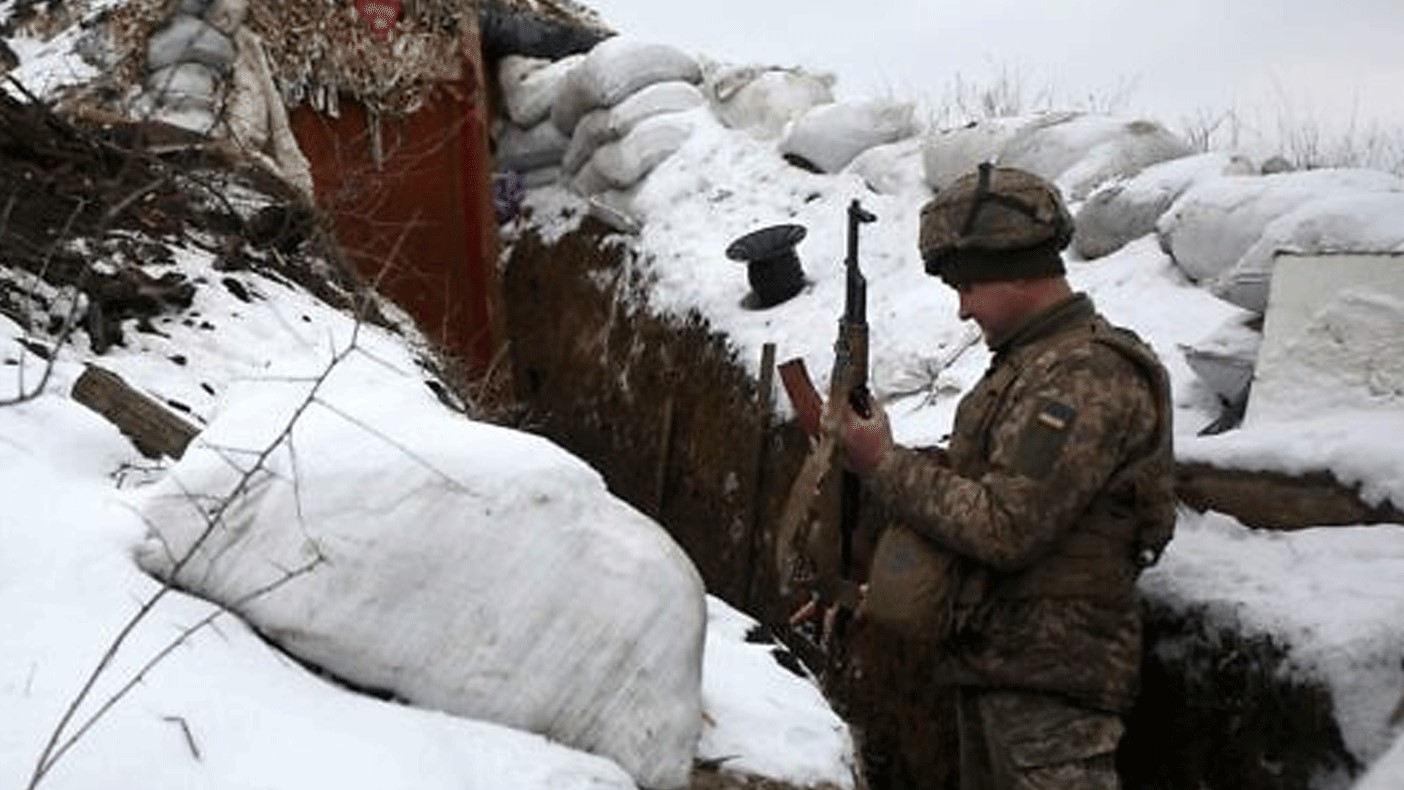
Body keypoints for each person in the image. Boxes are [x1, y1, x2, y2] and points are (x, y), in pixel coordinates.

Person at [837, 163, 1176, 790]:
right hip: (997, 666)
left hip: (1052, 687)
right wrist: (884, 456)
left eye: (967, 287)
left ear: (1015, 271)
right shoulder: (1030, 366)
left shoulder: (1085, 375)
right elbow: (981, 484)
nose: (964, 310)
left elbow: (1004, 525)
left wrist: (884, 466)